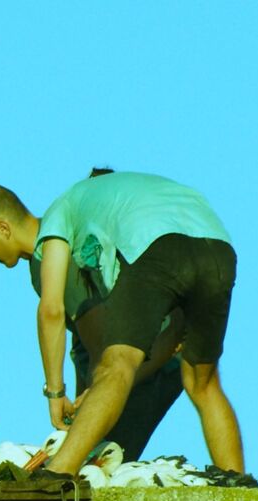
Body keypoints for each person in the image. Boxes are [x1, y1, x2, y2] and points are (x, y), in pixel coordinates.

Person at [0, 171, 243, 476]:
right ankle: (240, 488)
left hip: (159, 245)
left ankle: (58, 475)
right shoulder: (97, 225)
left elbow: (52, 310)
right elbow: (167, 332)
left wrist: (56, 395)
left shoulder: (55, 223)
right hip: (218, 248)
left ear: (3, 228)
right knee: (203, 383)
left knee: (116, 364)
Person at [25, 168, 183, 461]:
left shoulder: (56, 259)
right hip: (152, 366)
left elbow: (98, 349)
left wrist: (69, 398)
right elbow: (87, 351)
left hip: (144, 371)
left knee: (102, 465)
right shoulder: (98, 264)